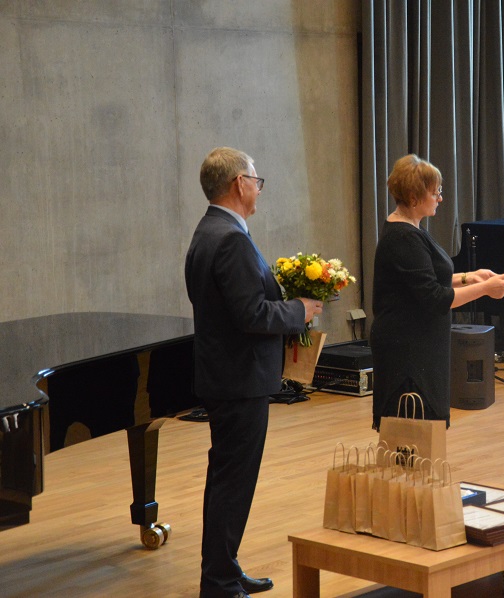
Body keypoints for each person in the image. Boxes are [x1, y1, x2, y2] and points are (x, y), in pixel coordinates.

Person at [185, 147, 323, 597]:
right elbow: (253, 314)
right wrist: (299, 310)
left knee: (226, 480)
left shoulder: (208, 230)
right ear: (238, 184)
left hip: (226, 376)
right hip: (239, 380)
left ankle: (222, 569)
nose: (259, 189)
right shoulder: (230, 239)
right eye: (256, 181)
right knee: (233, 484)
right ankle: (219, 582)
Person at [370, 154, 504, 430]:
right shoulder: (403, 237)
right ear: (414, 197)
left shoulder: (412, 228)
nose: (440, 198)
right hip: (408, 350)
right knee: (411, 429)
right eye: (435, 192)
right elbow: (435, 298)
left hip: (421, 344)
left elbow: (427, 280)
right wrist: (485, 289)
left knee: (424, 429)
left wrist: (470, 277)